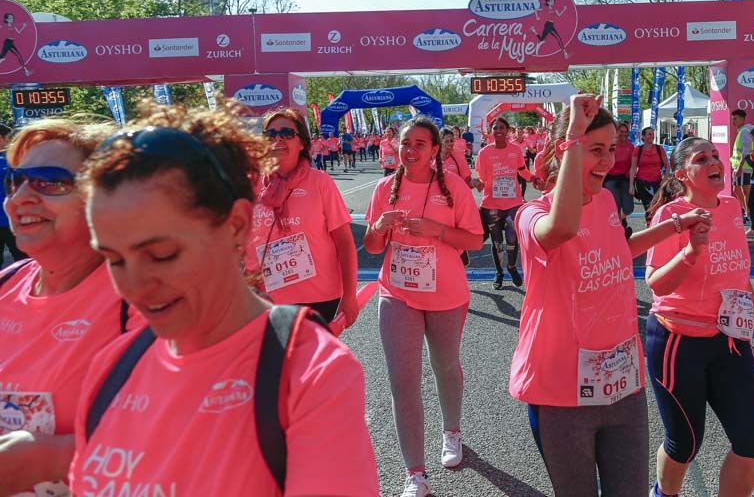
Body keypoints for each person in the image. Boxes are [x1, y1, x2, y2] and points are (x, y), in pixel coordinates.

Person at [73, 100, 379, 496]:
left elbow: (342, 241)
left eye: (162, 254)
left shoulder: (313, 374)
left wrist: (347, 295)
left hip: (313, 296)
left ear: (235, 224)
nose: (135, 286)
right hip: (271, 289)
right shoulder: (111, 367)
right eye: (113, 259)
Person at [511, 95, 653, 496]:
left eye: (611, 149)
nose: (608, 160)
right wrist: (574, 135)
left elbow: (619, 251)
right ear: (566, 149)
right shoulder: (531, 214)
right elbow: (562, 228)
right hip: (561, 393)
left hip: (622, 380)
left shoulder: (606, 200)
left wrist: (676, 226)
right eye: (596, 150)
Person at [0, 118, 129, 496]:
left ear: (101, 199)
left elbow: (185, 438)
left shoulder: (141, 297)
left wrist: (56, 459)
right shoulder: (6, 284)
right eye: (14, 181)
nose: (20, 197)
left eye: (49, 181)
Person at [364, 118, 483, 497]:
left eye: (420, 144)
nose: (411, 150)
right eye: (405, 143)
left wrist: (438, 230)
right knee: (402, 381)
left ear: (434, 150)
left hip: (446, 295)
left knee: (444, 366)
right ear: (396, 147)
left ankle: (452, 431)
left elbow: (475, 240)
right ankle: (414, 473)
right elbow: (372, 248)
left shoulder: (454, 187)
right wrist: (378, 227)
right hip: (397, 294)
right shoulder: (385, 188)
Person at [644, 137, 754, 497]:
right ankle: (663, 494)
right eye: (702, 159)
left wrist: (749, 293)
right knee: (685, 443)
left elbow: (735, 260)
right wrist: (689, 252)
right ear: (682, 174)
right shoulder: (671, 216)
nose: (714, 162)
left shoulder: (730, 206)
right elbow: (656, 283)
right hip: (677, 340)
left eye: (715, 155)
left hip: (729, 337)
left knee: (753, 443)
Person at [248, 108, 359, 325]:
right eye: (271, 134)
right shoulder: (250, 184)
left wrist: (350, 295)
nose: (278, 139)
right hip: (267, 299)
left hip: (318, 298)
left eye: (287, 133)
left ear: (302, 143)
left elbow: (345, 244)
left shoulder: (320, 182)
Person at [474, 117, 535, 289]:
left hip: (513, 203)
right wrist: (477, 184)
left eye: (502, 127)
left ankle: (512, 267)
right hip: (491, 205)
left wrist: (534, 179)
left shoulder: (515, 150)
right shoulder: (484, 153)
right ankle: (499, 272)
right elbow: (481, 178)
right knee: (497, 242)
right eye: (495, 128)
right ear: (491, 131)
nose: (499, 130)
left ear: (507, 130)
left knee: (512, 238)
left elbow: (522, 171)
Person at [0, 122, 27, 263]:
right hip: (11, 220)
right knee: (23, 262)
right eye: (8, 137)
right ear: (2, 138)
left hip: (10, 219)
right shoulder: (13, 160)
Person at [603, 121, 635, 235]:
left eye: (626, 132)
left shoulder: (631, 147)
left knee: (628, 208)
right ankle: (619, 232)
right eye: (621, 132)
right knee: (615, 207)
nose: (624, 134)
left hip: (625, 179)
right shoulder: (610, 146)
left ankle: (622, 220)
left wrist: (631, 184)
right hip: (611, 179)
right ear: (616, 132)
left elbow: (633, 166)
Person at [630, 126, 669, 220]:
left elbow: (667, 166)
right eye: (649, 134)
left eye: (653, 134)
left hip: (657, 182)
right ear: (643, 136)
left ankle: (655, 224)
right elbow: (633, 168)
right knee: (648, 207)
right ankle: (650, 225)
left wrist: (664, 179)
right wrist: (631, 185)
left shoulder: (659, 149)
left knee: (658, 206)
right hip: (642, 183)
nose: (652, 136)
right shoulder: (638, 150)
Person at [730, 109, 753, 222]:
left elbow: (746, 150)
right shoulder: (742, 131)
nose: (733, 121)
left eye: (735, 119)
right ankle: (748, 212)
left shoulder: (744, 131)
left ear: (743, 119)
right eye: (732, 119)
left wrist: (740, 166)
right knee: (738, 189)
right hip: (739, 167)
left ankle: (749, 214)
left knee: (745, 191)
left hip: (744, 168)